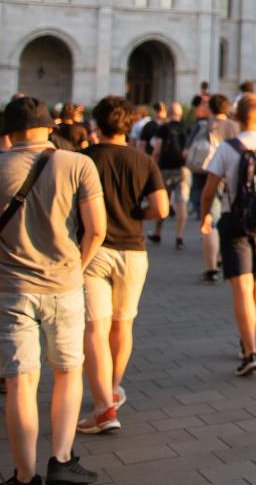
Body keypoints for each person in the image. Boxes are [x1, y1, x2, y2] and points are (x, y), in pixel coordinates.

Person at [0, 96, 105, 485]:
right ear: (48, 128)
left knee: (21, 382)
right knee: (67, 372)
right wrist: (79, 264)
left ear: (8, 132)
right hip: (65, 285)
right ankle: (60, 459)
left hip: (10, 288)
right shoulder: (78, 164)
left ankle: (25, 476)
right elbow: (97, 229)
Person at [76, 97, 168, 436]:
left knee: (95, 328)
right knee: (123, 324)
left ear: (96, 124)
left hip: (94, 249)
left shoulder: (83, 160)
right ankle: (113, 388)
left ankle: (103, 407)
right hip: (133, 251)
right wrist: (135, 215)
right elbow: (160, 208)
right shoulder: (143, 161)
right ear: (128, 125)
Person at [200, 95, 256, 376]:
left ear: (236, 117)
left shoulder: (228, 148)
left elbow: (209, 189)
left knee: (241, 287)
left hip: (235, 221)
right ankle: (248, 339)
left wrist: (205, 215)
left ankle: (250, 350)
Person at [193, 95, 240, 284]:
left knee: (210, 221)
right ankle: (221, 256)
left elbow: (191, 150)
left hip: (210, 175)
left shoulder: (204, 126)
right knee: (225, 217)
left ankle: (211, 267)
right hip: (231, 178)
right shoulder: (235, 127)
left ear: (210, 108)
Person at [149, 103, 188, 248]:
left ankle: (157, 232)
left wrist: (152, 166)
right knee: (181, 201)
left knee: (163, 200)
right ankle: (179, 236)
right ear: (180, 114)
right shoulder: (185, 127)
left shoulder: (163, 128)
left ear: (168, 113)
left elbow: (157, 149)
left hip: (165, 168)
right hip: (182, 168)